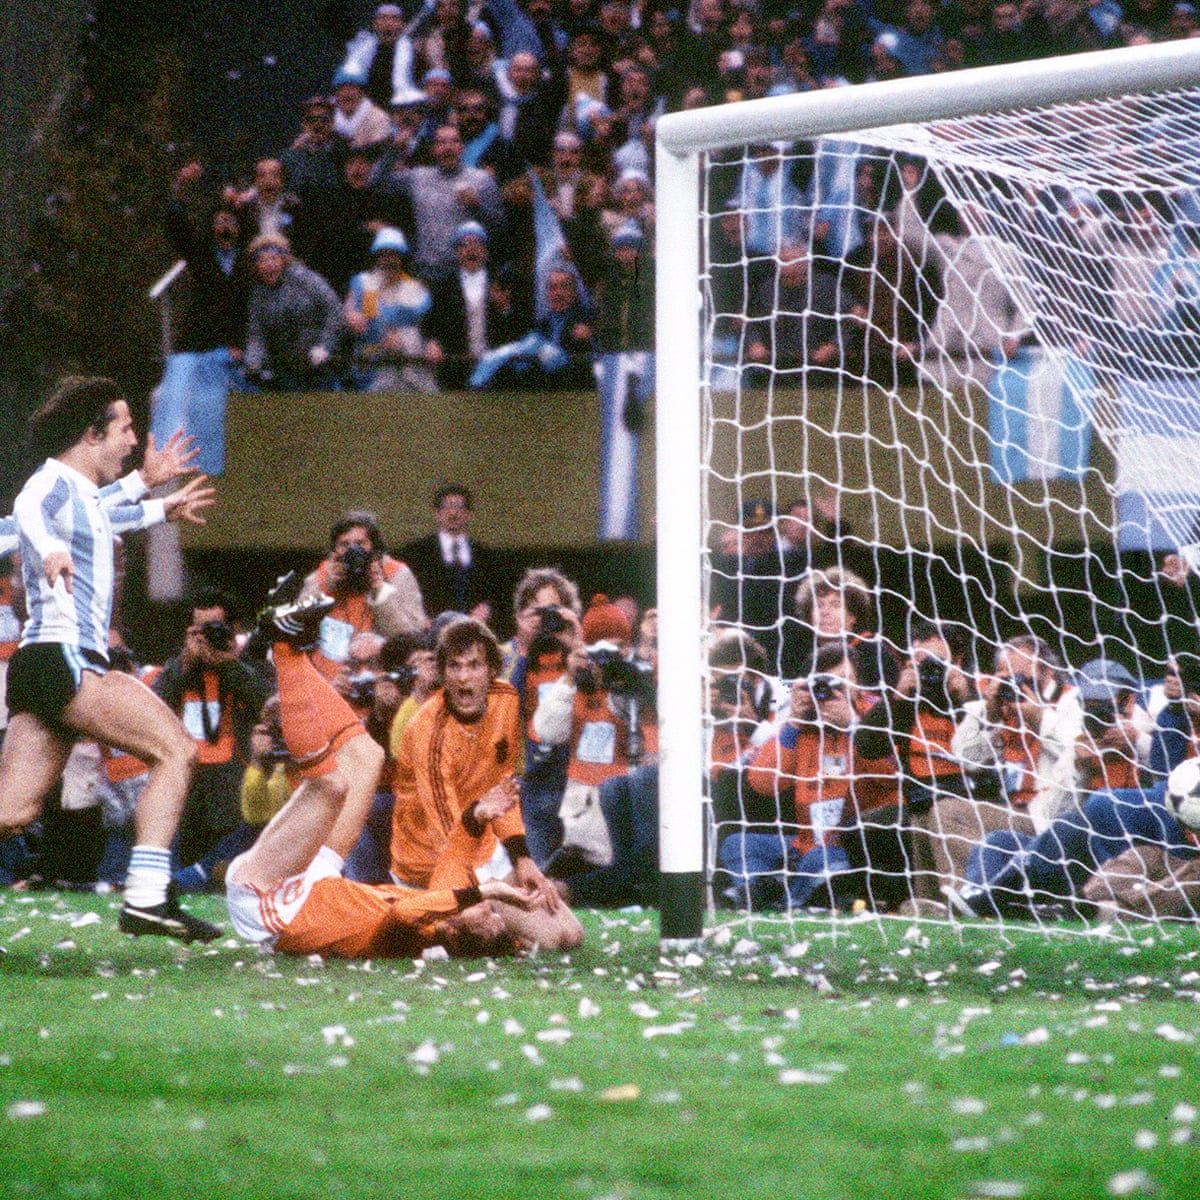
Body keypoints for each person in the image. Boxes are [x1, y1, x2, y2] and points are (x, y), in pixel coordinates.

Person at [0, 376, 218, 941]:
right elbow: (28, 507)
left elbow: (96, 515)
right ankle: (146, 898)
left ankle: (146, 898)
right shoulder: (49, 482)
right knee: (176, 750)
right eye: (125, 427)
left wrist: (155, 501)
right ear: (91, 433)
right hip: (67, 657)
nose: (133, 439)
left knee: (12, 812)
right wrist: (50, 548)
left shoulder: (79, 494)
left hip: (41, 665)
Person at [226, 590, 544, 959]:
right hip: (318, 885)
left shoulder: (421, 937)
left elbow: (403, 913)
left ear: (458, 935)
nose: (489, 908)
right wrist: (477, 815)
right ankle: (290, 647)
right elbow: (456, 857)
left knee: (330, 786)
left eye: (487, 917)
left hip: (270, 906)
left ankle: (281, 648)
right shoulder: (445, 909)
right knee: (367, 757)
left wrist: (487, 890)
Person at [388, 616, 582, 950]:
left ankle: (496, 910)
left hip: (484, 853)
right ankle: (462, 922)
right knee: (551, 940)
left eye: (474, 665)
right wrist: (484, 890)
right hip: (431, 866)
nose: (463, 677)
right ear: (443, 673)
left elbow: (503, 790)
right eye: (454, 666)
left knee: (572, 935)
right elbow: (449, 838)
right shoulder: (428, 731)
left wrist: (522, 859)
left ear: (492, 669)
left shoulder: (505, 700)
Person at [719, 644, 858, 911]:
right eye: (825, 683)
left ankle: (771, 897)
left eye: (844, 681)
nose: (834, 691)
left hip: (848, 844)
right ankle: (767, 890)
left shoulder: (872, 717)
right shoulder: (803, 725)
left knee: (823, 861)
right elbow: (762, 783)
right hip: (804, 841)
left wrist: (852, 725)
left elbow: (887, 778)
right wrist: (793, 722)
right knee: (738, 843)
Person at [152, 587, 273, 867]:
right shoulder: (180, 667)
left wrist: (230, 666)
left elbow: (269, 705)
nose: (207, 637)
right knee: (189, 875)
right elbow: (153, 705)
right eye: (199, 630)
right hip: (189, 785)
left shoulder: (253, 664)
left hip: (234, 785)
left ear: (234, 628)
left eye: (214, 628)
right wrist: (185, 663)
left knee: (229, 870)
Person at [299, 509, 427, 677]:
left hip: (382, 677)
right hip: (328, 680)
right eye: (344, 545)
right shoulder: (323, 575)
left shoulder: (396, 574)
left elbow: (412, 640)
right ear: (334, 551)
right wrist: (324, 588)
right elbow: (296, 627)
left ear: (375, 548)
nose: (353, 551)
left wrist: (380, 592)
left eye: (360, 544)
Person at [344, 226, 442, 392]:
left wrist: (429, 344)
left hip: (410, 366)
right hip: (370, 366)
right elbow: (346, 316)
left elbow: (429, 329)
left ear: (401, 257)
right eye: (384, 255)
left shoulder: (415, 288)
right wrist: (350, 317)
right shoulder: (362, 283)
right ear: (377, 256)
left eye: (394, 255)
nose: (389, 260)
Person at [242, 233, 343, 391]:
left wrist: (325, 346)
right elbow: (257, 333)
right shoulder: (258, 293)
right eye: (262, 260)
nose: (269, 265)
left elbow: (334, 308)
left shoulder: (305, 279)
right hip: (287, 369)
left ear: (283, 260)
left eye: (274, 258)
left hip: (320, 363)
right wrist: (253, 361)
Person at [398, 485, 501, 623]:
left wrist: (487, 608)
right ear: (436, 513)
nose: (453, 513)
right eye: (447, 507)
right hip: (430, 628)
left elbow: (496, 594)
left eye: (459, 507)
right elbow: (405, 592)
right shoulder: (416, 552)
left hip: (475, 627)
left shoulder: (485, 555)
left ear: (469, 514)